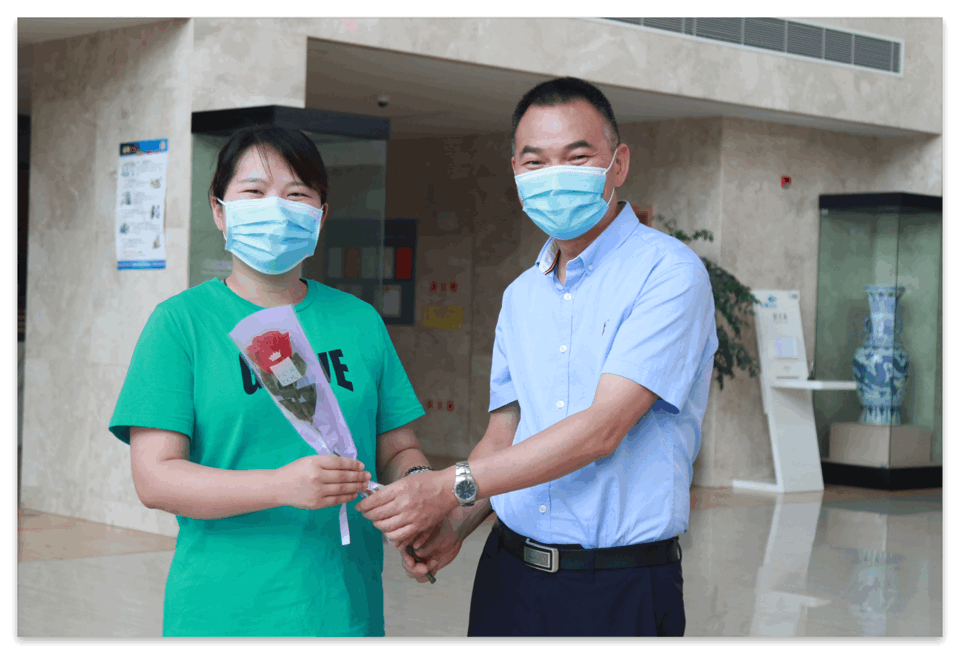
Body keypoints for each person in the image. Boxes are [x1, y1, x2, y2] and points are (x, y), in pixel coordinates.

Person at [357, 77, 719, 637]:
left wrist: (445, 486)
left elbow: (602, 429)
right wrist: (457, 524)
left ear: (618, 164)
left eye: (577, 157)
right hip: (509, 575)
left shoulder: (668, 274)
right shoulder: (522, 294)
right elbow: (504, 434)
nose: (555, 175)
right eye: (536, 161)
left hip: (617, 586)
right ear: (516, 171)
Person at [109, 124, 431, 637]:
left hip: (344, 607)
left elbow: (398, 448)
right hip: (224, 611)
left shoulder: (360, 321)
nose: (276, 209)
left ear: (321, 215)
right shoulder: (181, 323)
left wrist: (419, 493)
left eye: (296, 194)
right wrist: (280, 486)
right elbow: (155, 478)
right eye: (254, 191)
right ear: (219, 210)